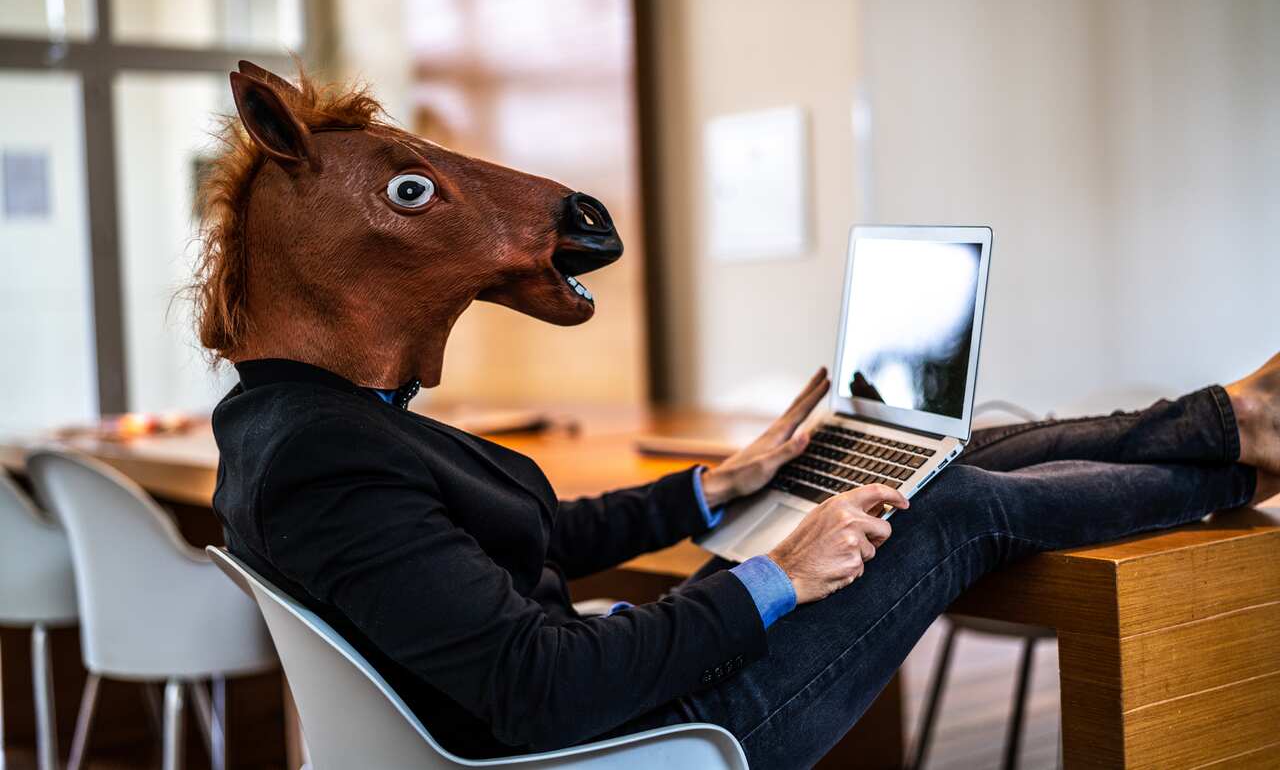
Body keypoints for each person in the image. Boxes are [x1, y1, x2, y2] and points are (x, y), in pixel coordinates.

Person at [202, 63, 1278, 769]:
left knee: (940, 451)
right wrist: (779, 572)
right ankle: (1240, 457)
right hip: (638, 742)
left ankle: (1229, 421)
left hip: (610, 695)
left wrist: (718, 484)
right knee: (947, 509)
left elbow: (544, 541)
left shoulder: (294, 426)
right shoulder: (325, 459)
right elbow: (541, 691)